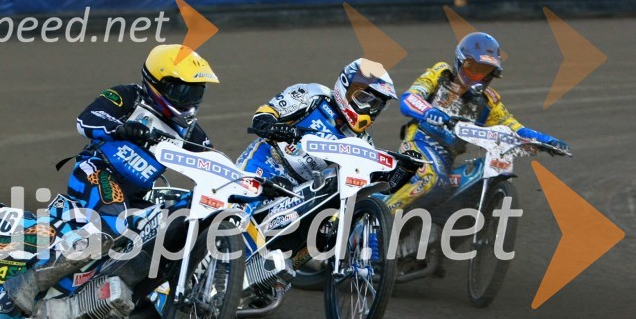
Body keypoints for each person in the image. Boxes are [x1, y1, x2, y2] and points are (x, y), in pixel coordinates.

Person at [4, 44, 219, 315]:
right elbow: (87, 120)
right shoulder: (127, 96)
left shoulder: (190, 132)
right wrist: (121, 128)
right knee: (113, 226)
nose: (189, 99)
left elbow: (214, 162)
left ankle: (112, 302)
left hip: (137, 196)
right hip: (98, 171)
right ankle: (29, 283)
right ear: (158, 82)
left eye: (196, 92)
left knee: (168, 229)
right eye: (183, 90)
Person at [383, 32, 570, 212]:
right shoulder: (440, 74)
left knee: (469, 182)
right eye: (473, 68)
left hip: (447, 158)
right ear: (460, 62)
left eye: (485, 72)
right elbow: (409, 99)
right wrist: (428, 111)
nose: (479, 77)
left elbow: (515, 128)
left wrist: (546, 141)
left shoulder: (489, 102)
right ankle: (383, 215)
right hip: (418, 144)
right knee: (432, 179)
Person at [237, 58, 397, 185]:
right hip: (265, 162)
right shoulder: (313, 95)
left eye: (376, 105)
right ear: (347, 86)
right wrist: (275, 128)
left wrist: (397, 174)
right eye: (365, 99)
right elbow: (262, 117)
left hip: (299, 190)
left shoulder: (362, 141)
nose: (369, 109)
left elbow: (369, 181)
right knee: (237, 210)